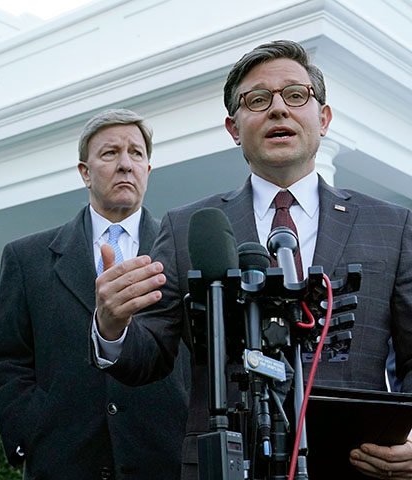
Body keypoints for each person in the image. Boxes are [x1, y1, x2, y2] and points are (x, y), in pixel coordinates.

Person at [93, 40, 412, 479]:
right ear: (233, 128)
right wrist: (111, 327)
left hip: (358, 463)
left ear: (323, 118)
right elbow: (150, 356)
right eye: (257, 100)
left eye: (295, 95)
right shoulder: (189, 226)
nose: (278, 109)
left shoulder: (392, 225)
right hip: (224, 464)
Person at [0, 109, 191, 480]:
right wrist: (30, 433)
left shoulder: (183, 254)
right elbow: (7, 361)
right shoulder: (26, 258)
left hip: (163, 462)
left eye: (136, 153)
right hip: (62, 462)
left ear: (148, 170)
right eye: (110, 153)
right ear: (84, 172)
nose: (126, 164)